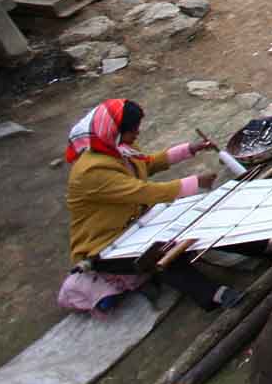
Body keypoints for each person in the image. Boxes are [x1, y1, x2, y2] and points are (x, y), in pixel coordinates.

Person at [57, 98, 239, 314]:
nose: (137, 134)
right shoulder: (91, 172)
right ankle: (212, 294)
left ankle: (264, 246)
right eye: (132, 130)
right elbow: (142, 192)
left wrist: (189, 149)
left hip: (136, 225)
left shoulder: (120, 147)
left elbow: (146, 164)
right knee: (160, 256)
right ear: (113, 131)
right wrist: (195, 183)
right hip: (106, 246)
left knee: (201, 223)